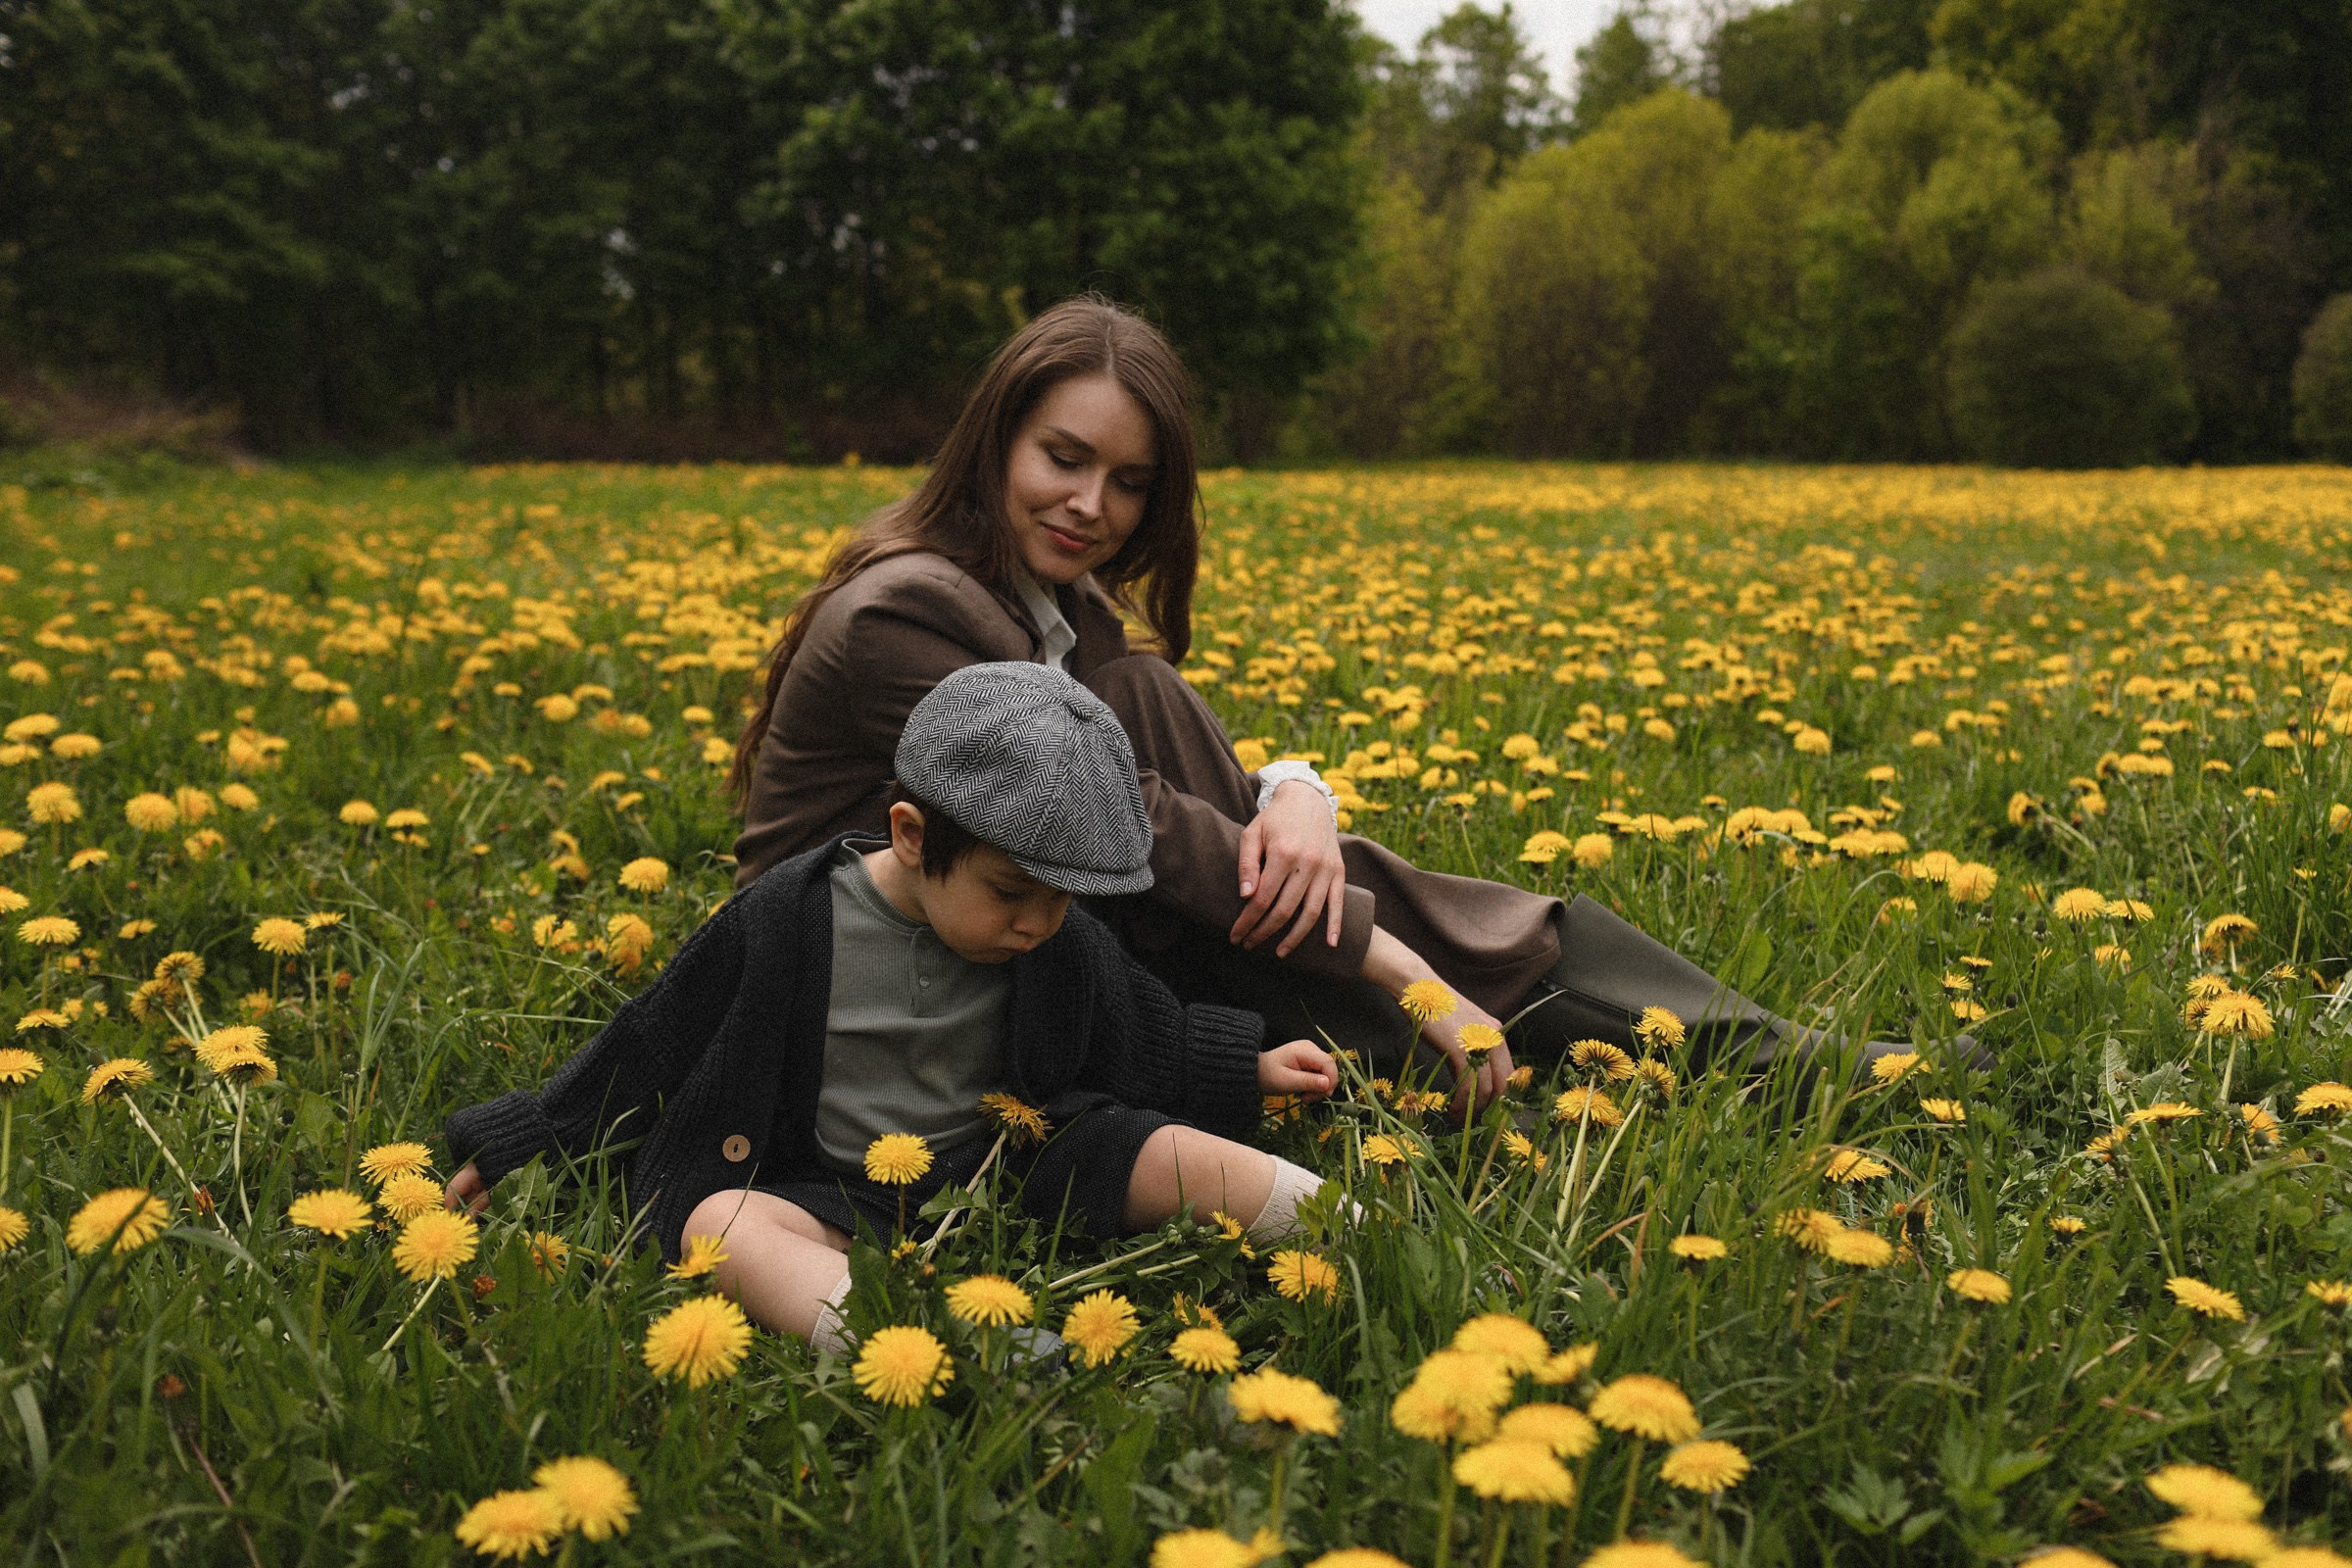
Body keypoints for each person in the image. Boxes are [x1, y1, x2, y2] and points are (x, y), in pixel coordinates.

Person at [729, 297, 1972, 1102]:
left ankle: (1712, 1045)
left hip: (1008, 929)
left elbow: (1151, 786)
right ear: (997, 438)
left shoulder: (1051, 606)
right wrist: (1391, 961)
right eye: (1064, 457)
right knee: (1295, 896)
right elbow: (1138, 820)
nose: (1090, 505)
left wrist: (1297, 793)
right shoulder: (911, 613)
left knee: (1149, 699)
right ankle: (1568, 1031)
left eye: (1127, 481)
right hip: (869, 988)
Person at [442, 662, 1345, 1350]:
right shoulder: (786, 919)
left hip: (1004, 1161)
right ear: (913, 836)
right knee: (720, 1225)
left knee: (1161, 1147)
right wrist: (532, 1135)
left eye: (1063, 901)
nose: (1037, 925)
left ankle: (1350, 1227)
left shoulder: (1050, 937)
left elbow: (1134, 1027)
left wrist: (1245, 1067)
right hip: (828, 1187)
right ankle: (932, 1346)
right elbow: (654, 1037)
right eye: (1010, 893)